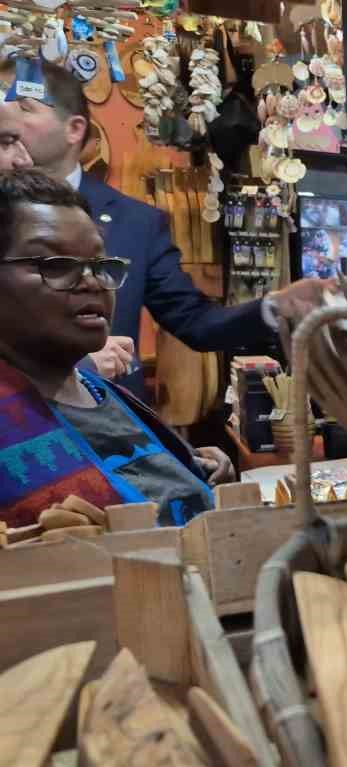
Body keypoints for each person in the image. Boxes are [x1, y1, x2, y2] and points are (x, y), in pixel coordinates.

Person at [0, 59, 326, 399]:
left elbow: (195, 323)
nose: (6, 113)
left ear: (74, 129)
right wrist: (80, 369)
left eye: (23, 106)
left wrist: (274, 307)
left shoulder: (136, 222)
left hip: (117, 430)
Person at [0, 171, 235, 528]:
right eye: (56, 265)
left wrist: (189, 467)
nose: (93, 281)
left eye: (100, 264)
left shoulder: (108, 395)